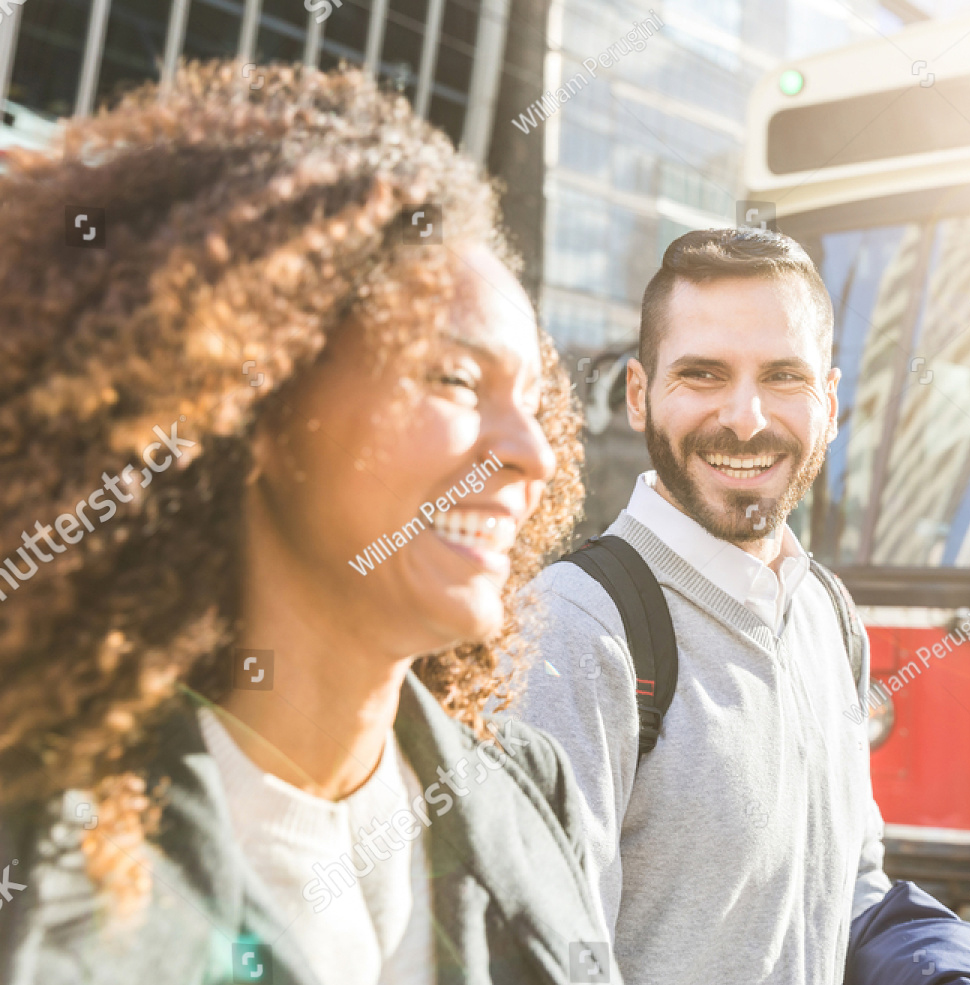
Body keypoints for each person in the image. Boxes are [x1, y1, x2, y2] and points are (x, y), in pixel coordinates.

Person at [0, 62, 613, 985]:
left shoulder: (531, 799)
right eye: (452, 378)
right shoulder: (43, 843)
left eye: (533, 400)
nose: (530, 455)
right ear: (257, 403)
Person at [514, 228, 891, 984]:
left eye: (784, 375)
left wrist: (940, 961)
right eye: (703, 374)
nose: (745, 418)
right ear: (636, 395)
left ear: (832, 401)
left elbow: (851, 884)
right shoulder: (575, 629)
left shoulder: (829, 615)